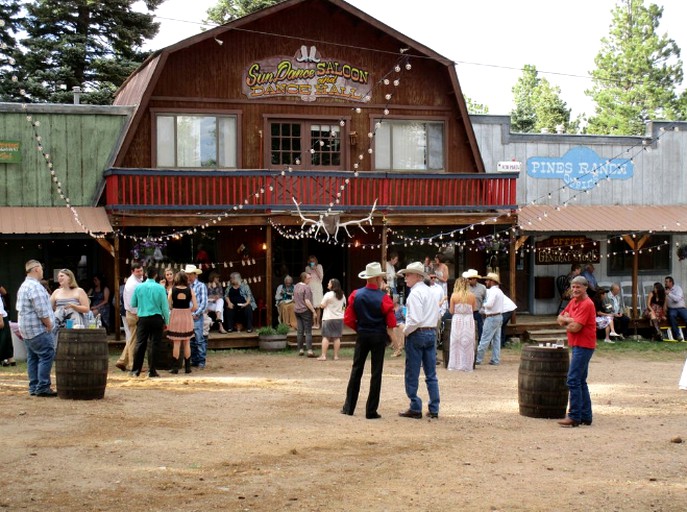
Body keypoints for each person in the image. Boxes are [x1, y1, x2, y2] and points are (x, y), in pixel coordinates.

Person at [341, 262, 396, 419]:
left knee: (356, 369)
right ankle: (371, 410)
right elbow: (391, 322)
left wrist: (359, 329)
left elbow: (348, 319)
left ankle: (349, 407)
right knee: (376, 372)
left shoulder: (355, 295)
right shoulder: (384, 298)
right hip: (378, 336)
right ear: (378, 278)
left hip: (363, 334)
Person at [397, 261, 440, 419]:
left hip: (417, 333)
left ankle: (415, 406)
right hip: (430, 332)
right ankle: (434, 407)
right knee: (431, 373)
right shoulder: (430, 292)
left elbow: (415, 320)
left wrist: (405, 330)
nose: (406, 277)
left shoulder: (415, 294)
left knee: (412, 372)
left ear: (417, 276)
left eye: (408, 274)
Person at [557, 275, 597, 427]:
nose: (575, 290)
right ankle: (586, 416)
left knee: (573, 379)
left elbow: (576, 327)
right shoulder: (573, 301)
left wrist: (568, 320)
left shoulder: (587, 304)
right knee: (580, 380)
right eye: (573, 287)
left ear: (585, 287)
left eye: (578, 287)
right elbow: (559, 318)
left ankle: (574, 416)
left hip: (584, 345)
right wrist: (569, 320)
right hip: (577, 344)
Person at [16, 260, 56, 396]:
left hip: (26, 330)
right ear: (37, 269)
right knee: (47, 354)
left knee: (32, 357)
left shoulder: (24, 286)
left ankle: (34, 386)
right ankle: (43, 386)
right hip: (37, 329)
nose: (43, 272)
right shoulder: (35, 287)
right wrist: (49, 324)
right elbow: (41, 310)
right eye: (42, 269)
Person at [130, 267, 170, 378]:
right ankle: (152, 370)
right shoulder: (160, 288)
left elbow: (133, 303)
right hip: (157, 318)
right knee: (155, 345)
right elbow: (165, 307)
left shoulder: (139, 287)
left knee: (140, 344)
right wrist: (167, 321)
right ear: (156, 275)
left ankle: (135, 370)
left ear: (146, 274)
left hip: (143, 318)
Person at [167, 271, 197, 374]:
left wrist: (174, 308)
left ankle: (175, 368)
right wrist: (189, 311)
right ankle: (188, 368)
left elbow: (169, 305)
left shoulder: (172, 290)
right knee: (187, 342)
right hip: (186, 315)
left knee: (176, 342)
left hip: (175, 315)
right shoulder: (190, 290)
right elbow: (195, 306)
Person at [115, 263, 144, 372]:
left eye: (141, 270)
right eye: (137, 271)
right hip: (133, 314)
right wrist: (137, 314)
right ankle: (132, 365)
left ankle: (122, 361)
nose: (140, 273)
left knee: (132, 338)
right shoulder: (132, 284)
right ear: (132, 271)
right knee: (134, 340)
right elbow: (132, 304)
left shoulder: (136, 281)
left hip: (132, 313)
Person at [475, 272, 505, 366]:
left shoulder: (492, 291)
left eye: (487, 280)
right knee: (496, 340)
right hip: (498, 316)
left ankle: (477, 359)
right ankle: (495, 359)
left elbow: (489, 304)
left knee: (485, 339)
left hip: (491, 317)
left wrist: (482, 305)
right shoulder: (499, 291)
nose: (486, 281)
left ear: (492, 281)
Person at [447, 277, 476, 371]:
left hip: (458, 320)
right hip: (468, 320)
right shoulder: (472, 296)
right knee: (468, 342)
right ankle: (467, 365)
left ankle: (455, 364)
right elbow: (474, 308)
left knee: (456, 342)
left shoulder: (454, 296)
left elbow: (451, 311)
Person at [186, 264, 208, 368]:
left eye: (190, 274)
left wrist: (196, 313)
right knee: (191, 340)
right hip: (188, 315)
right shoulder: (187, 286)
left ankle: (201, 361)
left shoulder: (201, 286)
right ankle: (195, 360)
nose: (188, 276)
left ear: (195, 275)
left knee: (199, 339)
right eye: (187, 274)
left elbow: (204, 303)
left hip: (197, 316)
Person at [318, 278, 346, 361]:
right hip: (339, 318)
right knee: (336, 337)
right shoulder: (342, 295)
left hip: (328, 318)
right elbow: (344, 307)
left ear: (333, 285)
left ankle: (323, 355)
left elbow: (322, 305)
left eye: (329, 283)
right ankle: (336, 356)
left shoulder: (328, 295)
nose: (328, 284)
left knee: (326, 337)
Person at [293, 271, 316, 357]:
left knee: (300, 331)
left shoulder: (296, 286)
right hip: (305, 311)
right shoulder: (307, 288)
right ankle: (309, 350)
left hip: (297, 310)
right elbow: (307, 301)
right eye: (309, 278)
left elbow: (293, 298)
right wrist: (313, 311)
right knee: (308, 331)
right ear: (304, 278)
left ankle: (301, 349)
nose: (310, 279)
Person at [463, 269, 486, 341]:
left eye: (470, 279)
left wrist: (483, 309)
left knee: (480, 328)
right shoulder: (465, 288)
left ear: (475, 279)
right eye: (468, 279)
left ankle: (480, 343)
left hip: (478, 311)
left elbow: (485, 299)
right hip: (467, 311)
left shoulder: (482, 288)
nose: (468, 280)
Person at [664, 276, 687, 342]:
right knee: (671, 316)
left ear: (671, 282)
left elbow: (677, 299)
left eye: (666, 282)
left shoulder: (678, 288)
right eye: (665, 282)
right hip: (672, 309)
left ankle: (686, 336)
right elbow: (665, 301)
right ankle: (677, 335)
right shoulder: (665, 290)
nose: (665, 283)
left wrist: (669, 294)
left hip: (681, 308)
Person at [305, 255, 324, 329]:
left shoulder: (319, 266)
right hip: (310, 288)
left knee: (318, 306)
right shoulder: (307, 268)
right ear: (309, 261)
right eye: (311, 261)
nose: (312, 262)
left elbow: (321, 277)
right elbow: (307, 279)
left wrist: (315, 269)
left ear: (316, 261)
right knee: (311, 306)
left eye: (314, 261)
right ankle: (313, 323)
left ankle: (317, 323)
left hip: (317, 288)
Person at [0, 290, 14, 367]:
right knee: (5, 338)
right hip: (2, 316)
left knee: (4, 339)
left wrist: (1, 319)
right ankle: (9, 359)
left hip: (1, 317)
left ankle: (7, 359)